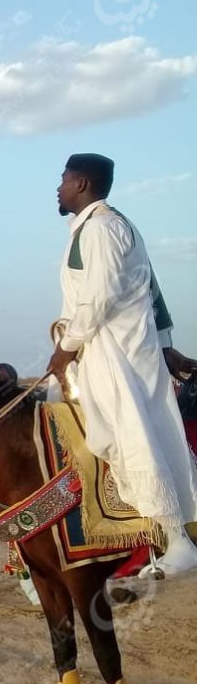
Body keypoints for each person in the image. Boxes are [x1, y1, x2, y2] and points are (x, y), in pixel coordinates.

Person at [47, 152, 197, 574]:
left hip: (118, 355)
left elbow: (98, 297)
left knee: (135, 442)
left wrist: (67, 347)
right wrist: (167, 345)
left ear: (82, 184)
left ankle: (178, 542)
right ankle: (162, 542)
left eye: (63, 179)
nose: (57, 187)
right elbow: (153, 289)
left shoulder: (102, 229)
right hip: (115, 353)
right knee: (127, 441)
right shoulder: (99, 228)